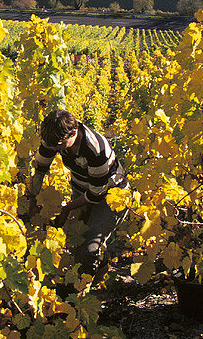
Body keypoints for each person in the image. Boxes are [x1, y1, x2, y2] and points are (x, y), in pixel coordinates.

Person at [23, 109, 128, 276]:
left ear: (73, 133)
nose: (55, 150)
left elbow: (96, 195)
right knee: (76, 238)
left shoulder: (95, 151)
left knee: (89, 247)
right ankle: (99, 269)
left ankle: (87, 289)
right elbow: (40, 170)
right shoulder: (54, 137)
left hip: (110, 195)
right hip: (83, 189)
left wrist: (67, 209)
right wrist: (32, 199)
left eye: (58, 146)